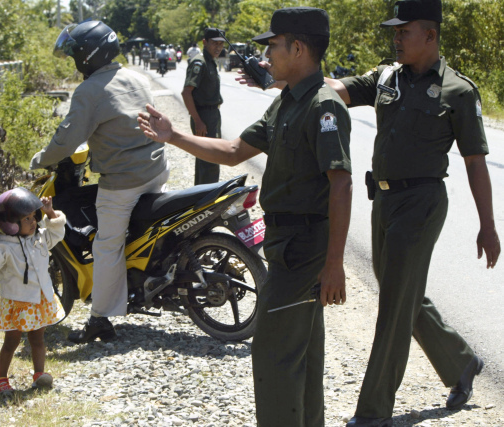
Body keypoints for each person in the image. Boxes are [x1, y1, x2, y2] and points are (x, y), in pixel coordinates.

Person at [139, 8, 352, 426]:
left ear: (298, 47)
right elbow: (235, 150)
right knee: (302, 353)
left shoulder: (323, 105)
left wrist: (334, 264)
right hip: (286, 244)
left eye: (273, 45)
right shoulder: (288, 102)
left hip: (304, 247)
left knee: (273, 353)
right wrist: (174, 135)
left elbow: (341, 186)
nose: (266, 54)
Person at [323, 1, 501, 425]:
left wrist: (488, 225)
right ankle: (460, 362)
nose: (397, 38)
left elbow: (475, 162)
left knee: (392, 307)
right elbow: (337, 90)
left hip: (421, 204)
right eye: (395, 32)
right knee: (401, 293)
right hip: (382, 199)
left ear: (431, 36)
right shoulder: (387, 77)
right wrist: (291, 81)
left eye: (405, 32)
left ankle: (373, 412)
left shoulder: (458, 91)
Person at [30, 21, 168, 344]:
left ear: (87, 56)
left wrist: (41, 159)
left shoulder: (89, 90)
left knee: (106, 244)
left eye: (76, 55)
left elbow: (67, 139)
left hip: (123, 182)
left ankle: (100, 319)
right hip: (156, 169)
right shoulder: (136, 77)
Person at [0, 189, 66, 392]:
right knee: (11, 341)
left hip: (39, 299)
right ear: (11, 224)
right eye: (27, 218)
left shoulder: (40, 238)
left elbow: (57, 233)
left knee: (38, 339)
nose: (33, 222)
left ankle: (39, 374)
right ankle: (1, 379)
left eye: (34, 216)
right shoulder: (4, 245)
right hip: (17, 301)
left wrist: (51, 214)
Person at [182, 28, 226, 185]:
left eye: (221, 44)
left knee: (206, 160)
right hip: (203, 116)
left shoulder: (210, 61)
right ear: (205, 42)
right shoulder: (199, 62)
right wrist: (198, 120)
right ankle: (207, 199)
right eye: (215, 43)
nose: (218, 47)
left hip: (212, 115)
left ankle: (200, 198)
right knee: (210, 160)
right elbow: (186, 93)